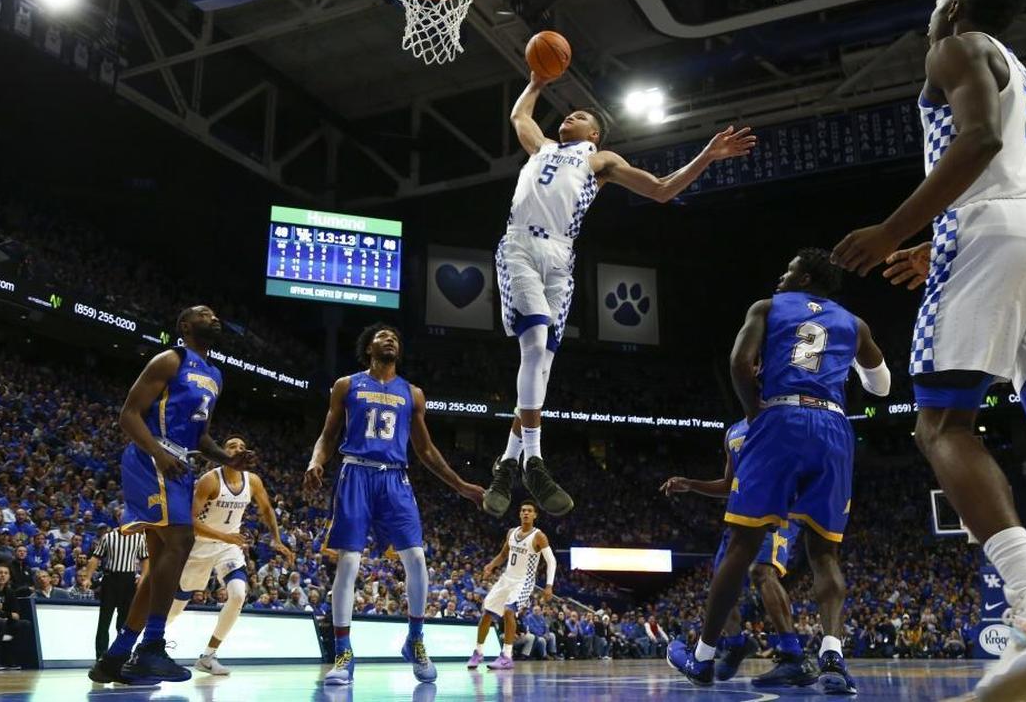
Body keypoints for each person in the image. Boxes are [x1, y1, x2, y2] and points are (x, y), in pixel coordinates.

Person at [833, 0, 1026, 700]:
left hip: (991, 232)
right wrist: (955, 239)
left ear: (955, 6)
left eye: (935, 2)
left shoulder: (954, 46)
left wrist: (897, 230)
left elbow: (980, 142)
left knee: (940, 426)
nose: (930, 15)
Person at [482, 72, 758, 519]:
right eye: (566, 114)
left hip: (561, 255)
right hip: (520, 246)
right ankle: (533, 458)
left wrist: (707, 155)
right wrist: (535, 80)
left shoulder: (601, 160)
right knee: (533, 345)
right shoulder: (542, 147)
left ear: (593, 134)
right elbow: (520, 114)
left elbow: (662, 189)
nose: (567, 115)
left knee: (542, 364)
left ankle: (508, 464)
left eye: (580, 115)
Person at [668, 249, 889, 694]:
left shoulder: (767, 307)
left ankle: (705, 657)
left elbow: (738, 363)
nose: (781, 275)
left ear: (804, 275)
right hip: (833, 427)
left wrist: (757, 415)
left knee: (741, 547)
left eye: (788, 269)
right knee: (825, 554)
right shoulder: (854, 323)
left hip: (780, 418)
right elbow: (881, 386)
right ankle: (832, 658)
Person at [303, 323, 485, 686]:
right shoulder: (346, 385)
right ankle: (343, 652)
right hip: (355, 474)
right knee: (349, 562)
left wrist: (460, 485)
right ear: (368, 346)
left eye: (396, 338)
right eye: (382, 336)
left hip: (395, 478)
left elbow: (427, 451)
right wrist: (315, 461)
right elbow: (327, 435)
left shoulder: (412, 393)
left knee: (416, 558)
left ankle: (415, 640)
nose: (390, 339)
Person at [88, 305, 254, 685]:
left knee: (160, 565)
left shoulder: (215, 375)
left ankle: (115, 658)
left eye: (216, 314)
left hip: (179, 462)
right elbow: (128, 414)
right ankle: (152, 646)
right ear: (184, 325)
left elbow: (201, 438)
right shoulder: (169, 359)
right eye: (205, 313)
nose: (214, 317)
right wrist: (159, 453)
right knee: (182, 540)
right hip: (152, 457)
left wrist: (228, 457)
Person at [661, 419, 807, 685]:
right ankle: (737, 643)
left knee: (761, 571)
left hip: (778, 509)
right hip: (741, 515)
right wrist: (692, 484)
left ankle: (794, 655)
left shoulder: (784, 417)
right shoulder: (733, 432)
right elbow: (730, 484)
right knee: (723, 583)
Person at [166, 435, 294, 676]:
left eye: (242, 446)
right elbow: (190, 521)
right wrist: (226, 537)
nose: (238, 449)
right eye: (232, 446)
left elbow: (266, 509)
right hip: (200, 545)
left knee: (238, 595)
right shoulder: (209, 480)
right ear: (222, 453)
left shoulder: (253, 481)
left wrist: (277, 539)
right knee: (177, 607)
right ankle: (147, 645)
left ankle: (208, 656)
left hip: (228, 546)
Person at [467, 500, 555, 671]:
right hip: (506, 578)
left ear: (535, 515)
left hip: (524, 581)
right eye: (523, 510)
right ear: (519, 514)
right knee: (487, 613)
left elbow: (551, 561)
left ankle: (507, 656)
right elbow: (502, 555)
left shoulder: (539, 536)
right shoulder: (511, 533)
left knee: (509, 610)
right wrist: (491, 565)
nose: (526, 513)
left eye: (529, 511)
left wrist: (549, 585)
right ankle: (478, 652)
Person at [87, 525, 148, 660]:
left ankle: (121, 654)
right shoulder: (108, 537)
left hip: (129, 580)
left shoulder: (139, 538)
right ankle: (101, 656)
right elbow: (96, 557)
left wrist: (143, 576)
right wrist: (87, 577)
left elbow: (145, 559)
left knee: (124, 621)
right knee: (104, 620)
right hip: (110, 579)